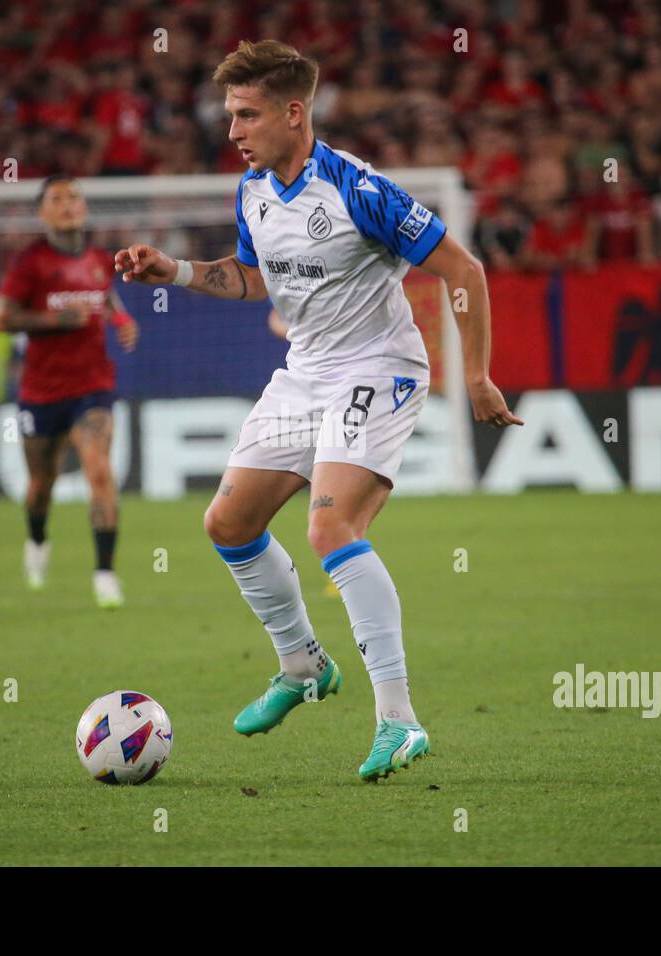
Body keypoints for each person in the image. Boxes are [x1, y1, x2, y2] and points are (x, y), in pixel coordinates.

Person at [114, 40, 522, 781]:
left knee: (330, 525)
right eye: (230, 115)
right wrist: (169, 270)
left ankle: (398, 721)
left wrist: (480, 375)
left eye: (247, 115)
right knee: (227, 523)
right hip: (305, 373)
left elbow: (463, 267)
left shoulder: (359, 189)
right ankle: (303, 663)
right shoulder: (254, 191)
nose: (233, 131)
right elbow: (248, 280)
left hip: (381, 368)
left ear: (294, 113)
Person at [0, 175, 139, 608]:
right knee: (41, 483)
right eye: (57, 199)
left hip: (92, 386)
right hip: (41, 391)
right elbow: (0, 319)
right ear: (43, 213)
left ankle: (105, 574)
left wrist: (121, 320)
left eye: (74, 197)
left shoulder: (98, 258)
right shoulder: (30, 263)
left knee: (99, 472)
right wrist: (56, 321)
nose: (68, 204)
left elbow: (105, 296)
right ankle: (37, 541)